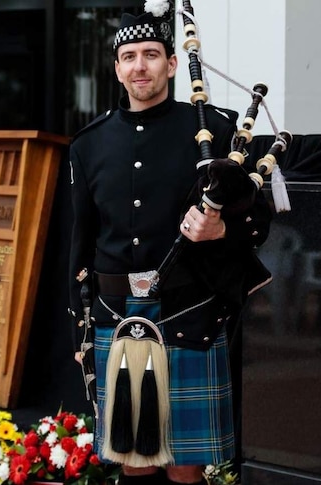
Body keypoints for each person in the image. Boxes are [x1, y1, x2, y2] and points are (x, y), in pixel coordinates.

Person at [66, 2, 273, 484]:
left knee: (184, 465)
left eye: (152, 55)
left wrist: (222, 229)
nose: (141, 66)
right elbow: (81, 239)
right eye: (130, 56)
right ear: (116, 68)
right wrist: (81, 315)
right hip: (116, 311)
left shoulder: (216, 131)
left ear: (173, 64)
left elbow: (258, 213)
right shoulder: (88, 145)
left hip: (189, 305)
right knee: (133, 460)